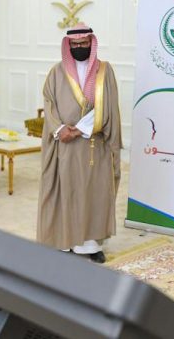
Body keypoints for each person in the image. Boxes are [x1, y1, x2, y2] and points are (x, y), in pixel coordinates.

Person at [37, 23, 122, 263]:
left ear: (91, 43)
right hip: (63, 145)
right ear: (68, 46)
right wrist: (60, 128)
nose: (79, 47)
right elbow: (49, 103)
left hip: (94, 145)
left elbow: (108, 106)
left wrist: (81, 129)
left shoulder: (104, 71)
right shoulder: (56, 72)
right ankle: (62, 242)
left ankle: (90, 246)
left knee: (93, 196)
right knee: (64, 194)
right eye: (74, 44)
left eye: (84, 43)